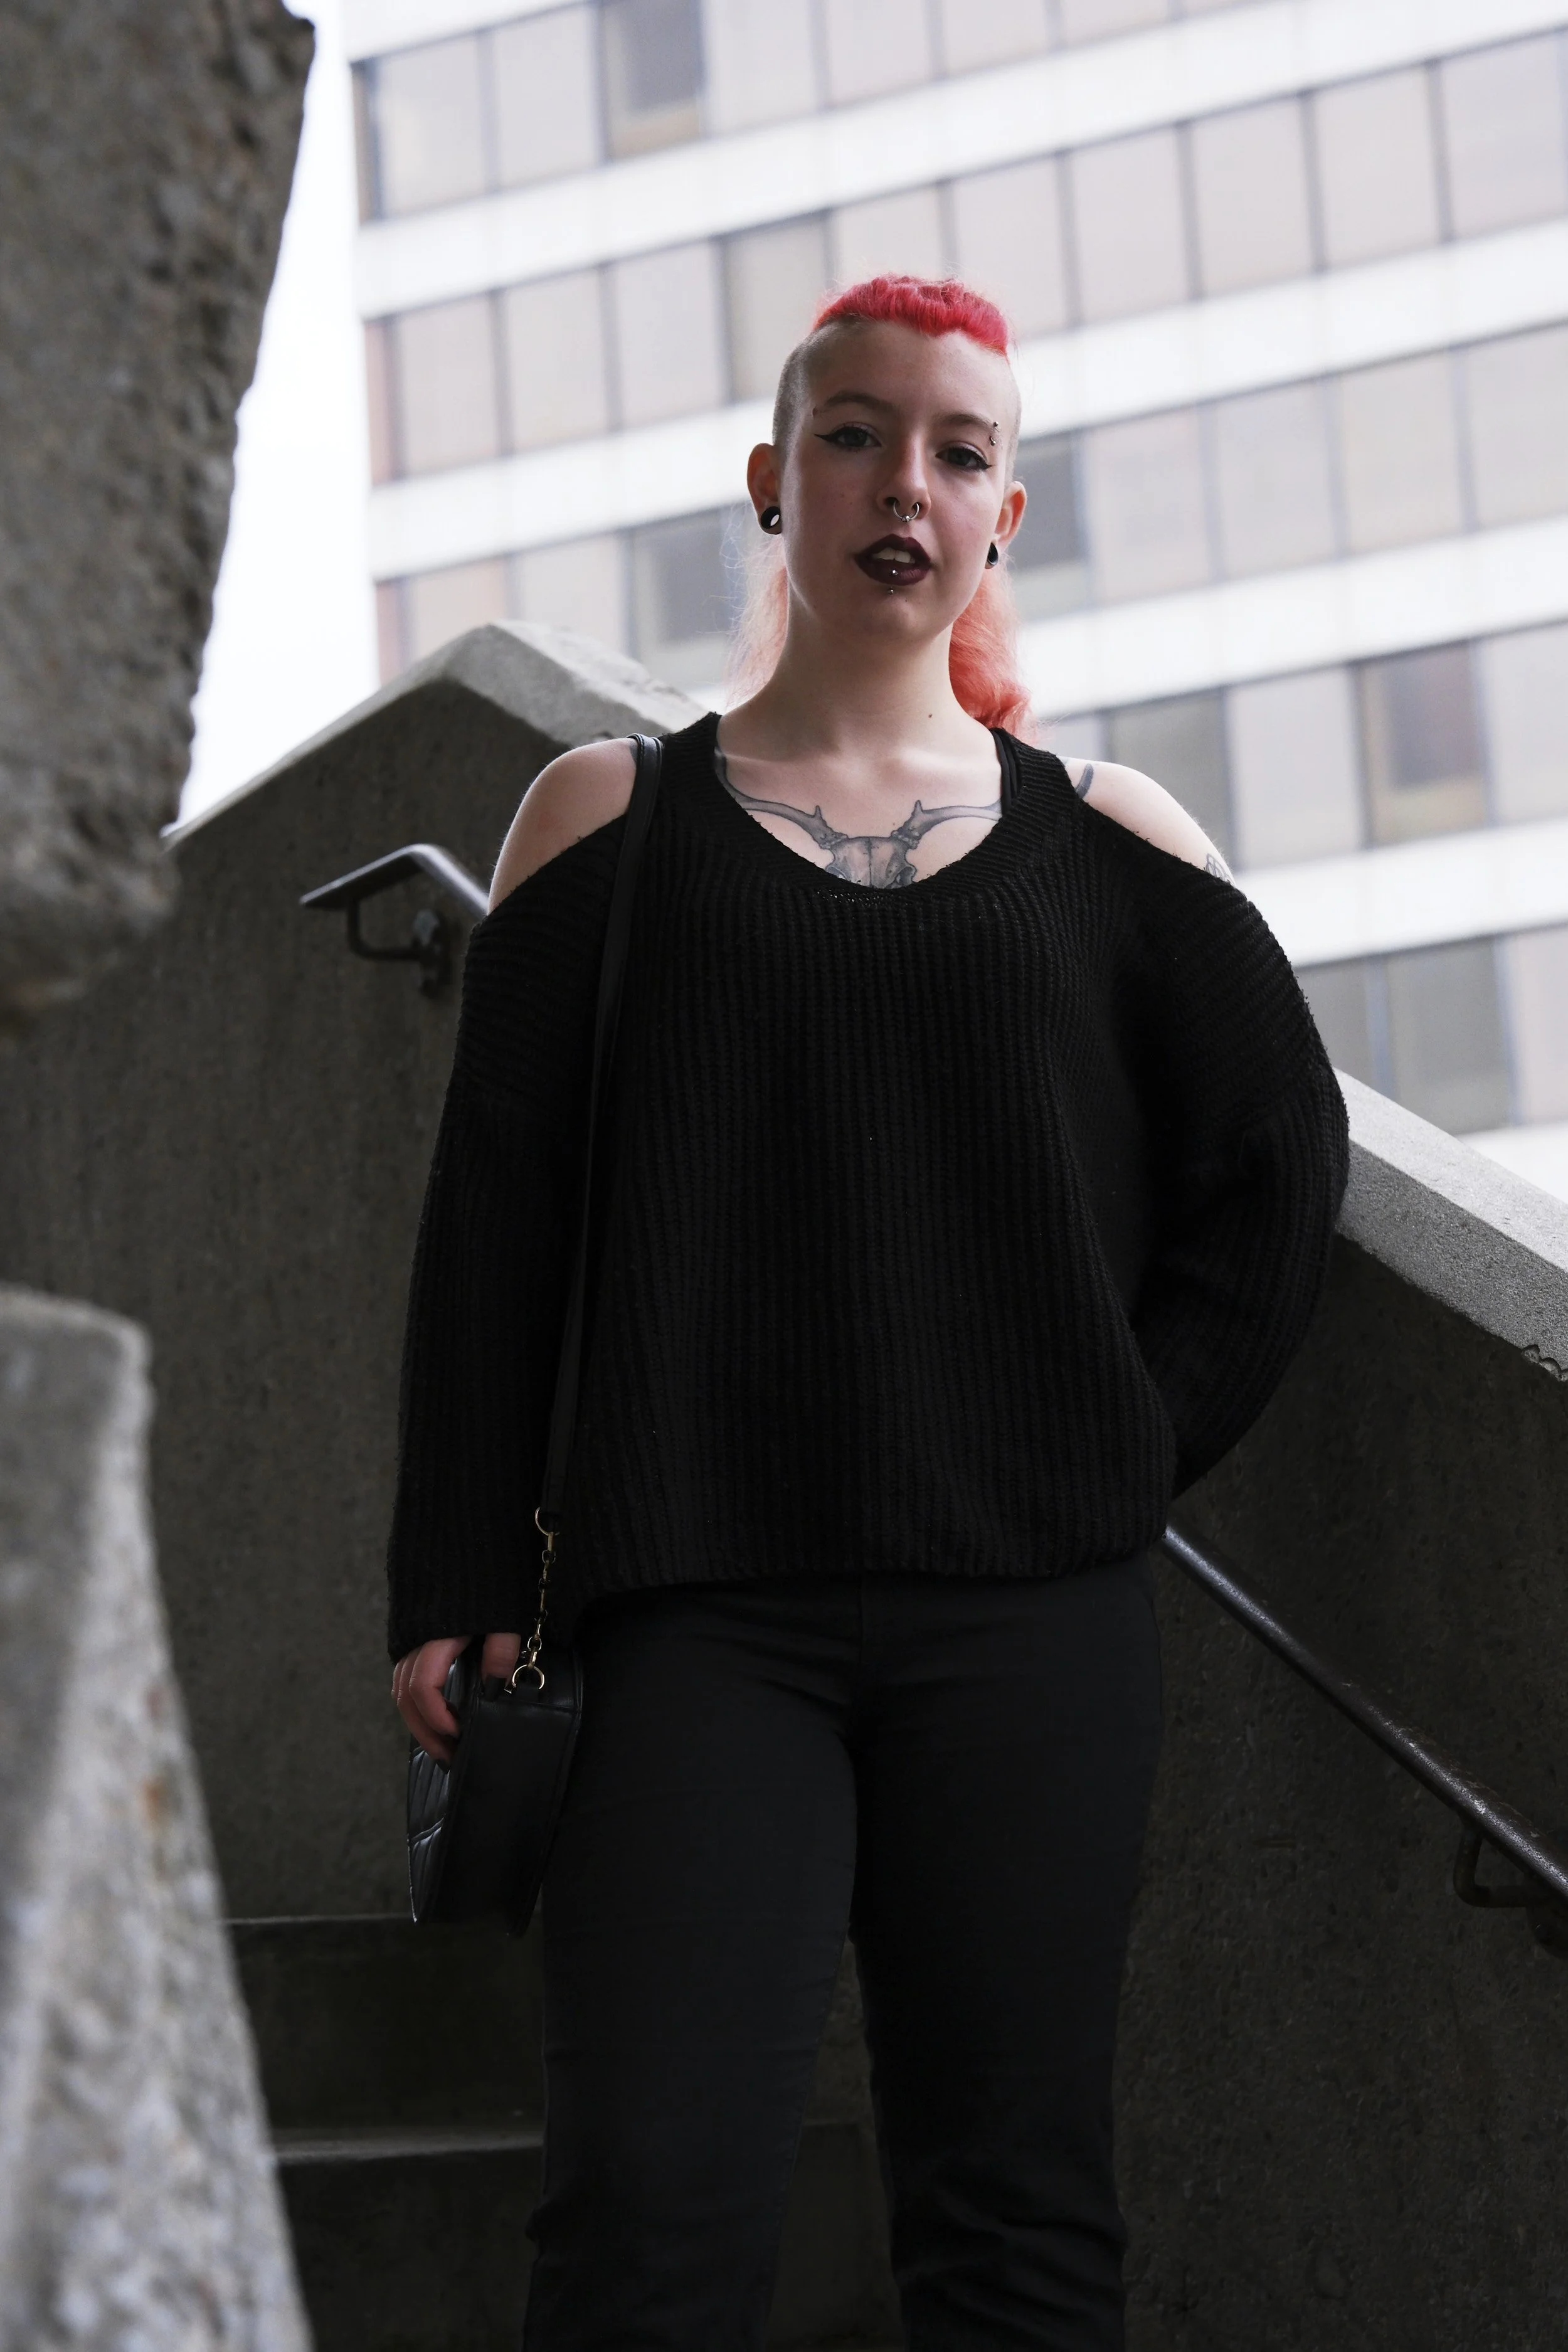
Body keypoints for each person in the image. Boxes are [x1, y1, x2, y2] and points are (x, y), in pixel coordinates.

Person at [387, 275, 1348, 2350]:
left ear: (1006, 513)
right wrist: (451, 1570)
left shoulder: (1109, 848)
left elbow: (1282, 1169)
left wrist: (1114, 1442)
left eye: (955, 449)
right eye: (852, 433)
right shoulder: (604, 821)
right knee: (646, 2210)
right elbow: (493, 1235)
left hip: (1030, 1618)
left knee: (1016, 2224)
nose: (900, 480)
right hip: (688, 1615)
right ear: (772, 479)